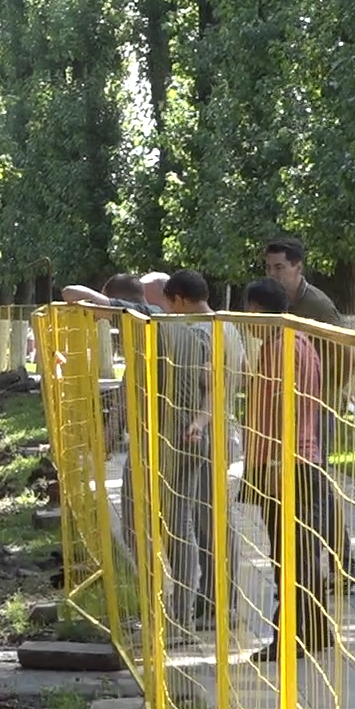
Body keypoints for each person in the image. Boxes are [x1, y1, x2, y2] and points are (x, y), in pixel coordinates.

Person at [242, 277, 335, 661]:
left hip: (288, 464)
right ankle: (316, 630)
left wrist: (277, 463)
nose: (246, 321)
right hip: (294, 461)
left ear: (261, 312)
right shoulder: (292, 343)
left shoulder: (282, 349)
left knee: (290, 554)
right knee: (300, 550)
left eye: (248, 313)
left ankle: (292, 636)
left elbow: (289, 409)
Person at [264, 238, 355, 593]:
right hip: (292, 409)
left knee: (313, 488)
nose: (272, 274)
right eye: (268, 267)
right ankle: (320, 569)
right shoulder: (280, 304)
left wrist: (324, 395)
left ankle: (328, 568)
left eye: (280, 268)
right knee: (308, 489)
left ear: (299, 267)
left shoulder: (315, 305)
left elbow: (346, 355)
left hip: (314, 412)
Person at [161, 270, 245, 630]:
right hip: (223, 429)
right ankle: (221, 601)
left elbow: (206, 384)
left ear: (179, 299)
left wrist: (198, 421)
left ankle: (212, 603)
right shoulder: (227, 327)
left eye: (169, 304)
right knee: (216, 521)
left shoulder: (195, 332)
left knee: (197, 523)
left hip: (200, 432)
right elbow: (244, 372)